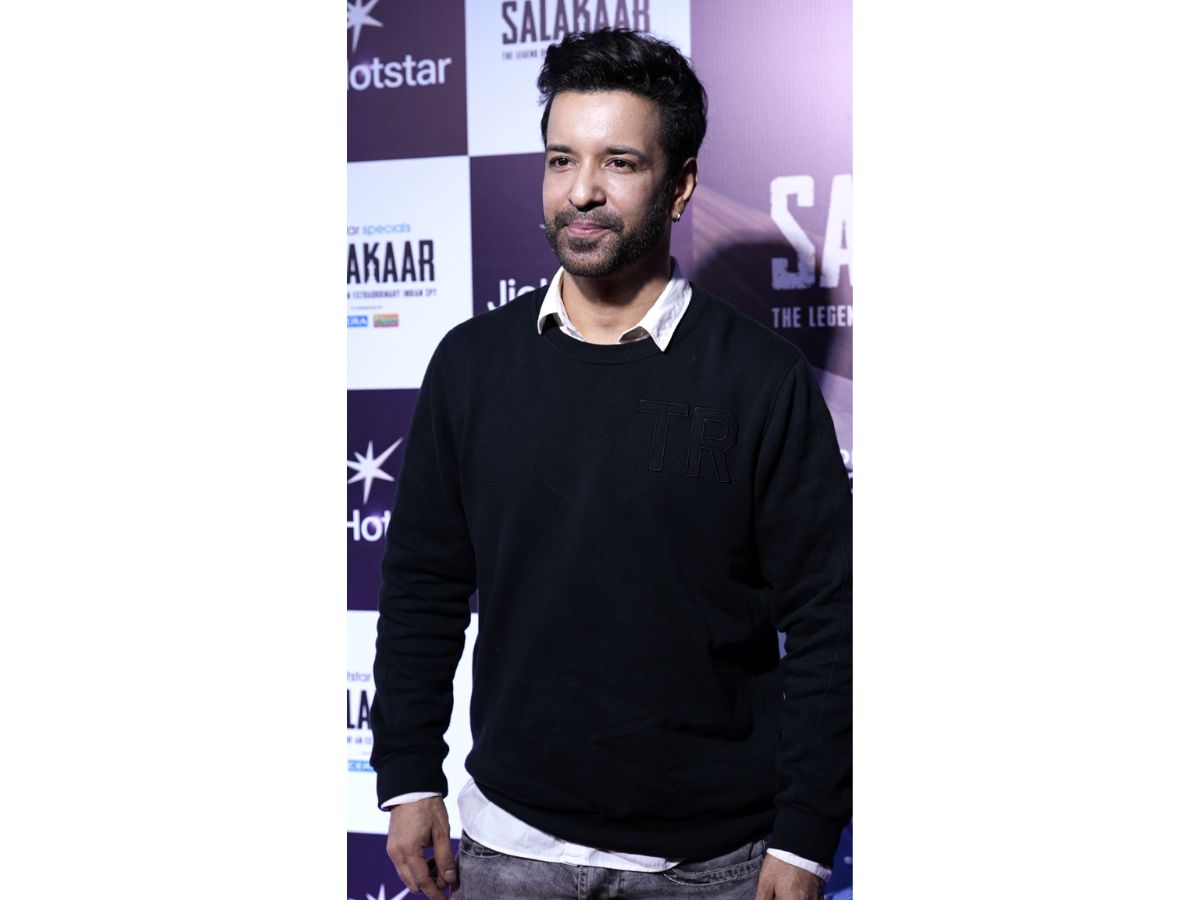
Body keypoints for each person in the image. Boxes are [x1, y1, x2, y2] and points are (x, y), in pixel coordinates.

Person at [370, 28, 851, 900]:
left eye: (619, 162)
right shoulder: (471, 364)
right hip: (506, 853)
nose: (581, 191)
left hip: (715, 867)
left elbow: (830, 620)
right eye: (562, 160)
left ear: (681, 185)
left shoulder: (761, 380)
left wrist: (809, 836)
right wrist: (407, 776)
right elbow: (422, 585)